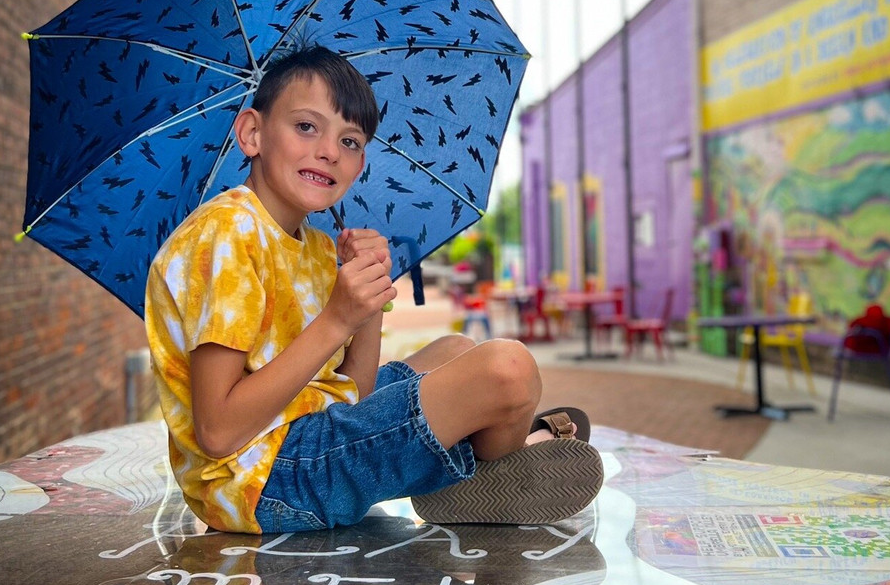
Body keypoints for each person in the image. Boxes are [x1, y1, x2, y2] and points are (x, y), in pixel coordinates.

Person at [145, 45, 602, 534]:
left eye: (352, 141)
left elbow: (355, 392)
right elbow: (218, 431)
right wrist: (339, 318)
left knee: (456, 350)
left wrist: (369, 300)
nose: (329, 152)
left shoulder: (317, 247)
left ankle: (473, 468)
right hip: (262, 479)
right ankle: (493, 458)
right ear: (253, 133)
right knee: (508, 370)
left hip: (308, 430)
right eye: (306, 127)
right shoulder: (228, 232)